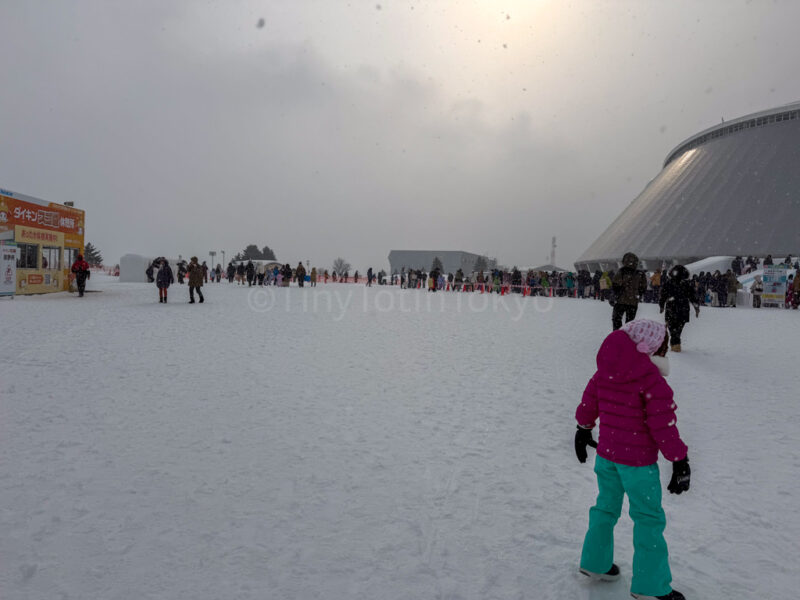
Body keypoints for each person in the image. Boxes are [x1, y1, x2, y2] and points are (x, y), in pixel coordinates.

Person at [575, 319, 689, 600]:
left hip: (607, 458)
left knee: (605, 507)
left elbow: (589, 401)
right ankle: (650, 587)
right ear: (651, 348)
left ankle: (595, 562)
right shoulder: (650, 379)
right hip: (638, 465)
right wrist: (679, 459)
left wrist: (583, 428)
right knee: (648, 519)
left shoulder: (605, 371)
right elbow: (662, 425)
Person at [659, 265, 700, 352]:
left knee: (672, 327)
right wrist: (696, 307)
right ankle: (675, 343)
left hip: (671, 307)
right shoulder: (687, 284)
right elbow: (693, 297)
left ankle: (675, 343)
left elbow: (663, 295)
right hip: (683, 308)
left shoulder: (668, 283)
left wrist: (662, 306)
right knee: (679, 328)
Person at [611, 252, 648, 330]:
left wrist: (615, 294)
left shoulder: (621, 271)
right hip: (633, 302)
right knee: (630, 323)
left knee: (616, 320)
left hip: (620, 301)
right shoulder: (640, 274)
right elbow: (643, 287)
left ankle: (617, 334)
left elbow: (615, 285)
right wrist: (638, 294)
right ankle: (627, 335)